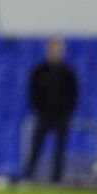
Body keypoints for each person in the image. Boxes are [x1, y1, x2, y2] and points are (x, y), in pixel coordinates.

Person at [24, 37, 78, 183]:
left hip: (62, 115)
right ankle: (28, 175)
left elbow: (74, 94)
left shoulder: (68, 73)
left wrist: (68, 110)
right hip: (43, 114)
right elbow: (33, 91)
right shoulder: (40, 71)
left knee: (60, 149)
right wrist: (39, 108)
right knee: (36, 147)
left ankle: (56, 178)